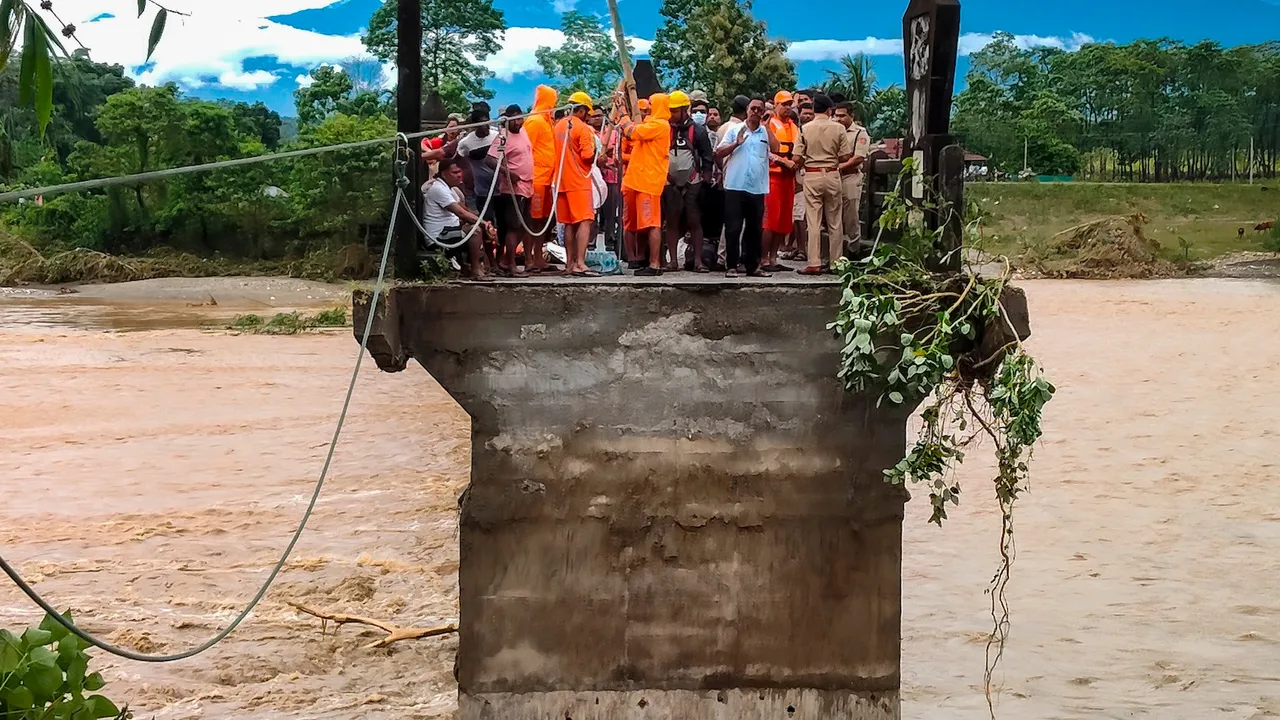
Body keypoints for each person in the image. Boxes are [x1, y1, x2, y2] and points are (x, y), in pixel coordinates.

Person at [716, 95, 777, 278]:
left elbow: (776, 148)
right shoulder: (735, 129)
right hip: (735, 185)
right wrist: (736, 144)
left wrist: (767, 126)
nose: (756, 112)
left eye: (760, 109)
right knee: (733, 227)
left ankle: (753, 266)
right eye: (753, 109)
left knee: (755, 229)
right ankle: (732, 266)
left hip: (757, 187)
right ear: (747, 110)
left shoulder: (765, 132)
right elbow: (719, 152)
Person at [614, 92, 672, 277]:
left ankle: (654, 264)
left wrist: (622, 112)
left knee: (652, 223)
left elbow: (632, 132)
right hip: (637, 180)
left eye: (651, 105)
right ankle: (639, 259)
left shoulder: (660, 125)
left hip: (648, 181)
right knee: (636, 224)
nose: (649, 108)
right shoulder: (651, 123)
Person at [795, 94, 853, 275]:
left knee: (813, 221)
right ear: (829, 110)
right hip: (832, 174)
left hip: (811, 175)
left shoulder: (804, 129)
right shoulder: (838, 128)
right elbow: (845, 156)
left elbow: (797, 157)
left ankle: (814, 262)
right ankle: (836, 262)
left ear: (814, 109)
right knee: (835, 221)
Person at [664, 91, 714, 273]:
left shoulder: (698, 131)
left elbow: (707, 156)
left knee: (694, 222)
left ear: (685, 110)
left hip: (693, 182)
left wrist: (705, 180)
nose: (671, 115)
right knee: (671, 221)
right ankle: (672, 261)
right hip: (669, 182)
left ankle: (698, 261)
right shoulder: (665, 129)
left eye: (675, 111)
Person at [423, 157, 495, 279]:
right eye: (455, 172)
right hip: (438, 236)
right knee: (475, 231)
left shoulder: (449, 189)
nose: (459, 175)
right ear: (444, 174)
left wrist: (487, 224)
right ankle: (475, 270)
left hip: (448, 231)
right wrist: (483, 224)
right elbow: (461, 213)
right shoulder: (438, 189)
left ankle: (481, 266)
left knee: (477, 227)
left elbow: (465, 210)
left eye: (460, 172)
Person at [486, 104, 534, 277]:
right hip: (512, 188)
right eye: (514, 119)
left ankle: (507, 260)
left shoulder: (524, 132)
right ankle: (511, 265)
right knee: (514, 226)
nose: (517, 122)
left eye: (519, 118)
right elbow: (490, 159)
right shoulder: (502, 137)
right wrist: (507, 172)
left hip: (528, 185)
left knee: (525, 225)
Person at [553, 91, 598, 276]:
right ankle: (580, 263)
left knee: (569, 224)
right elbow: (587, 156)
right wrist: (596, 152)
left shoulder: (559, 125)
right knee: (585, 221)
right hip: (578, 181)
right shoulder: (583, 128)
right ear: (581, 110)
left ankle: (569, 264)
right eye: (587, 112)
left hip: (561, 181)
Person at [763, 90, 800, 272]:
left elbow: (800, 149)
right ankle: (763, 259)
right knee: (769, 220)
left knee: (784, 221)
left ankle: (773, 258)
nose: (787, 107)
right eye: (783, 104)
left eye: (789, 104)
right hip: (772, 178)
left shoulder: (794, 126)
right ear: (775, 105)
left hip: (788, 179)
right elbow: (764, 150)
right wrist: (782, 160)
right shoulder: (769, 125)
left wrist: (795, 162)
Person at [524, 85, 559, 273]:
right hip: (535, 178)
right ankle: (529, 258)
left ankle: (538, 257)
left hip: (547, 179)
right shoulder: (535, 121)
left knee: (542, 221)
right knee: (532, 220)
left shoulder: (546, 121)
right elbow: (527, 149)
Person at [835, 101, 872, 252]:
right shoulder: (833, 130)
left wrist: (838, 167)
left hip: (850, 176)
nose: (838, 119)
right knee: (835, 216)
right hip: (834, 177)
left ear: (851, 116)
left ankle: (853, 250)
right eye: (836, 116)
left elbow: (858, 157)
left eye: (842, 116)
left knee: (850, 215)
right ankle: (836, 253)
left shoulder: (859, 133)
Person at [693, 97, 725, 270]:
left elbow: (717, 157)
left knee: (713, 220)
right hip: (692, 182)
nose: (700, 115)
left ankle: (710, 255)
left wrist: (719, 175)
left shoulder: (717, 135)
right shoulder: (689, 132)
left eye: (703, 112)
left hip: (713, 184)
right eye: (695, 111)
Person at [619, 97, 650, 267]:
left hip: (646, 180)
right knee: (629, 221)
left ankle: (642, 255)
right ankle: (631, 257)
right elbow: (619, 156)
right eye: (642, 111)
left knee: (645, 221)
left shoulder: (651, 130)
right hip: (629, 180)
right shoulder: (628, 132)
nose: (644, 115)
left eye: (647, 112)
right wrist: (637, 158)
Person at [456, 104, 496, 212]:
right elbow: (457, 161)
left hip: (500, 189)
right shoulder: (465, 142)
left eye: (488, 122)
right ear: (476, 125)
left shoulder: (497, 136)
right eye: (483, 124)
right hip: (481, 191)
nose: (487, 126)